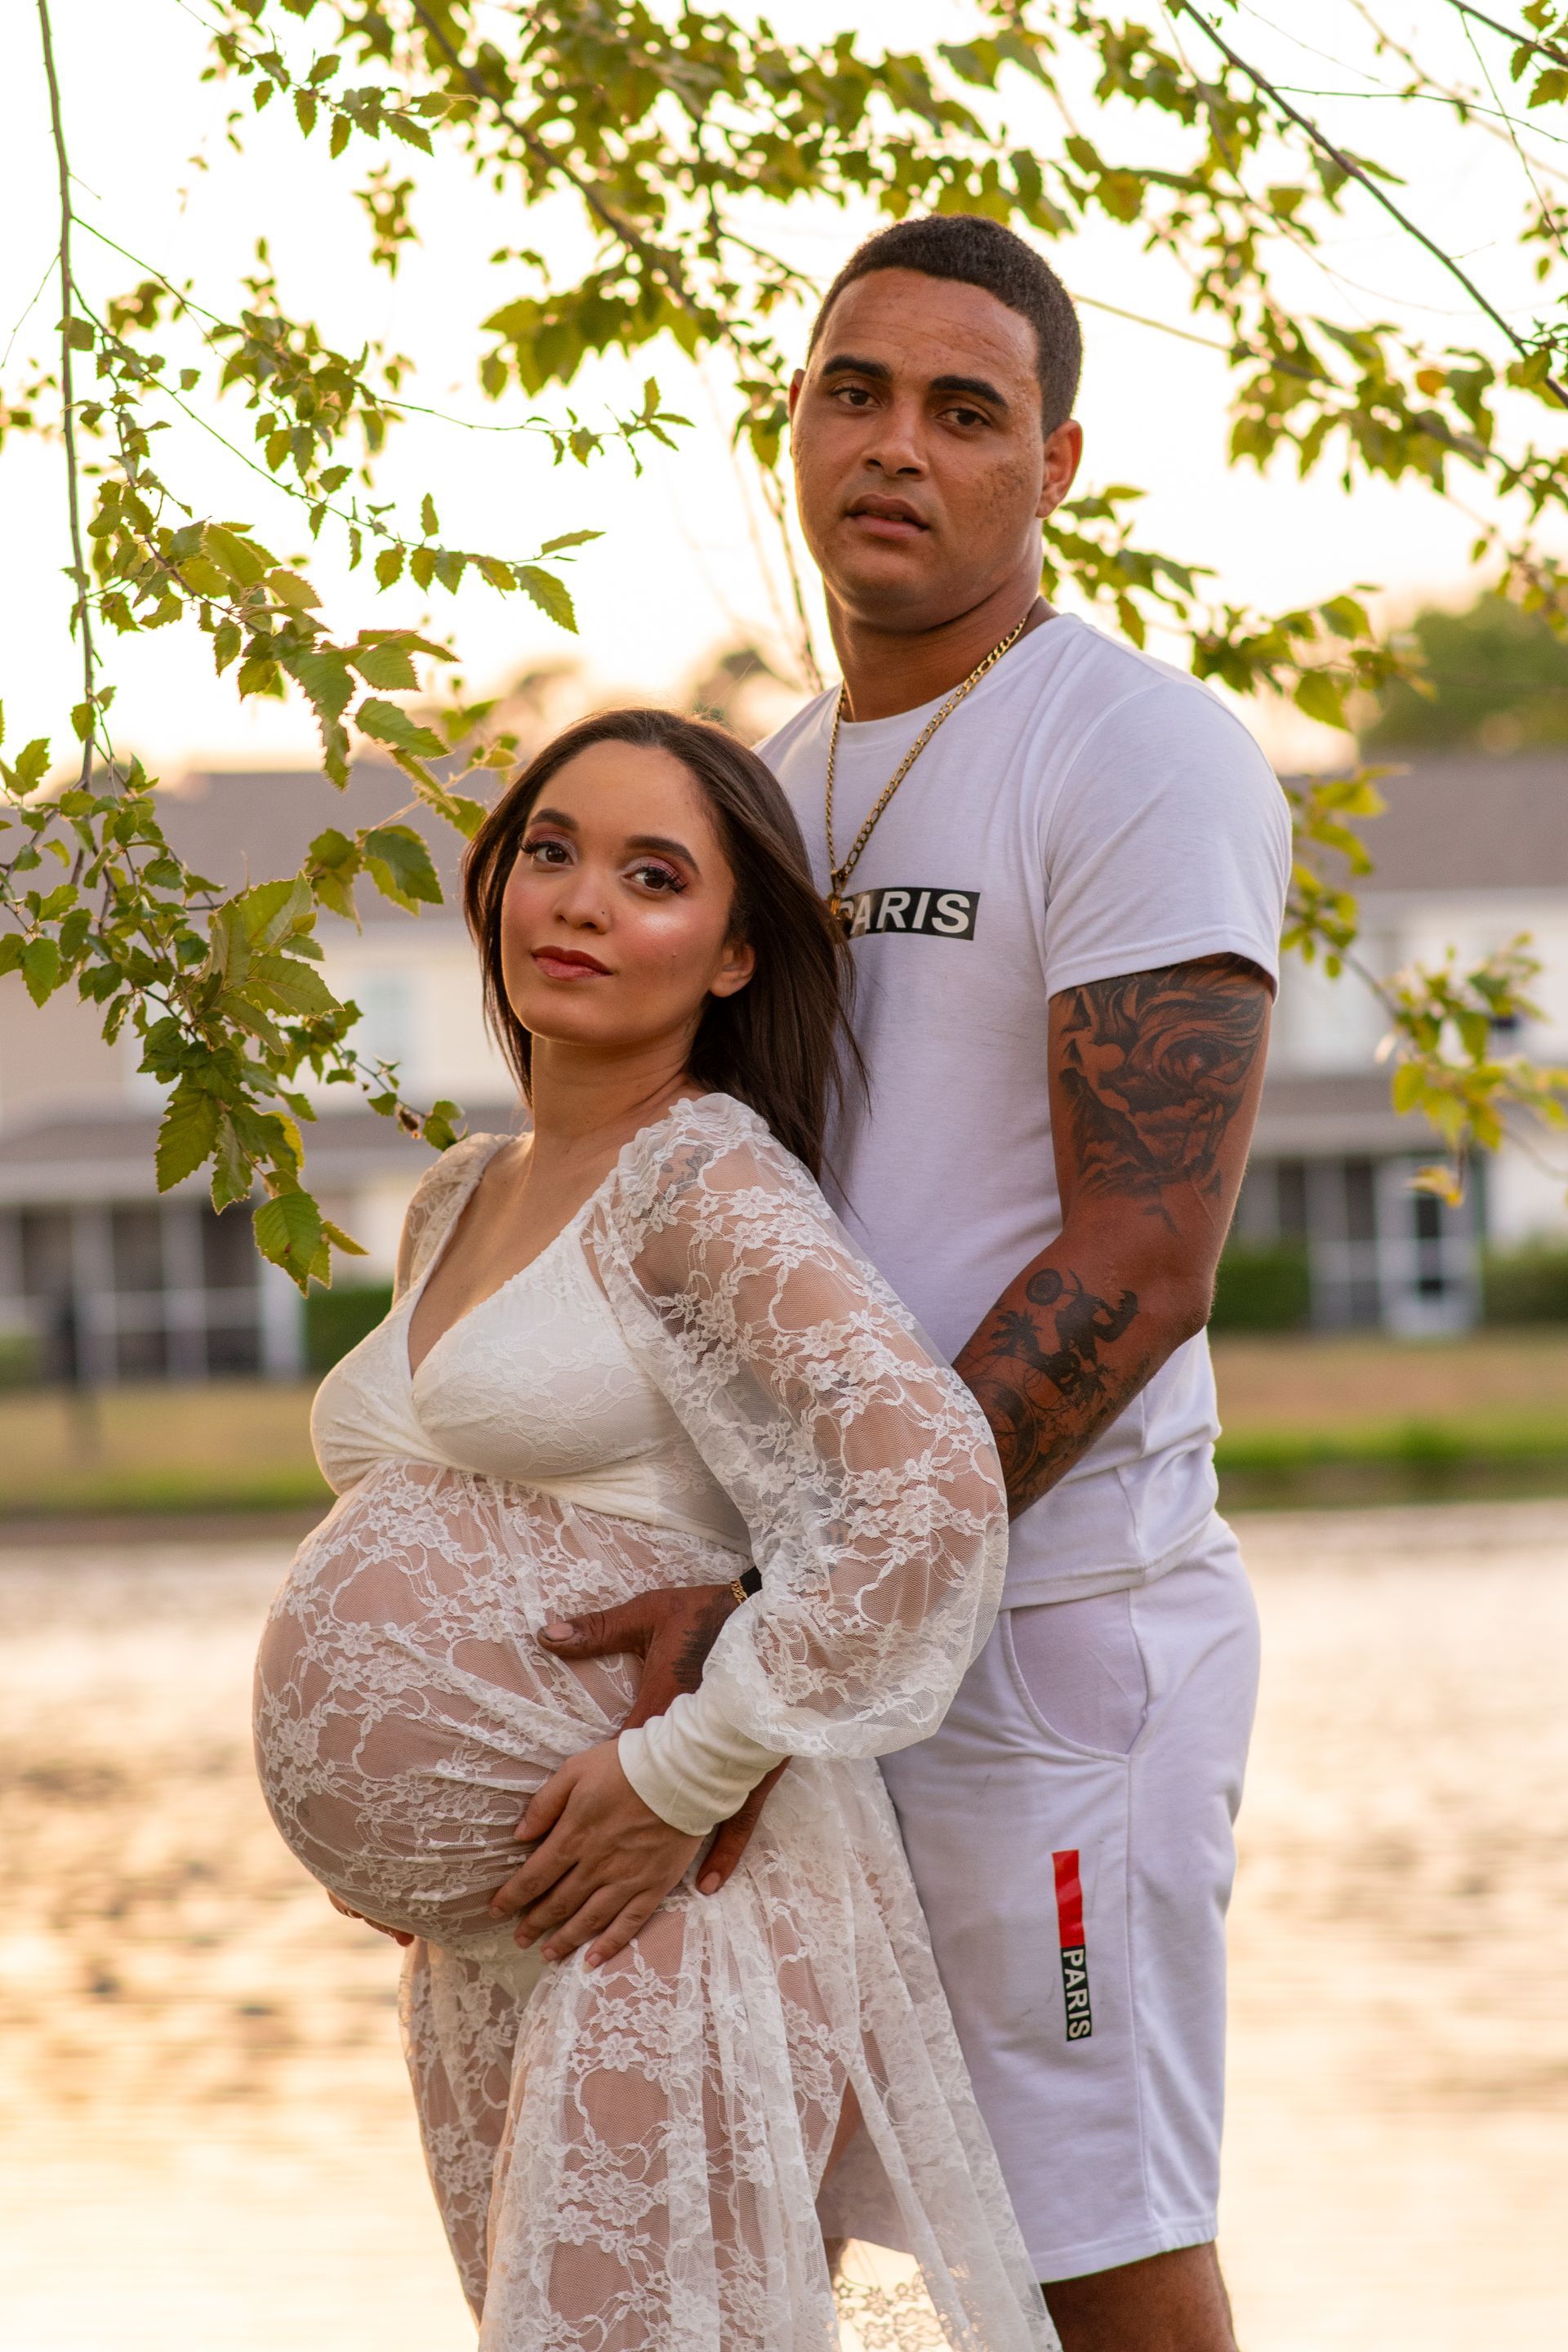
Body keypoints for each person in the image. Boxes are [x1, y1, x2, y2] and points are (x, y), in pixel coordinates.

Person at [529, 219, 1290, 2351]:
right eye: (854, 393)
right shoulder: (774, 783)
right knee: (816, 2243)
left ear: (1055, 464)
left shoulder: (1135, 752)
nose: (898, 447)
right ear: (794, 427)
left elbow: (1141, 1259)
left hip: (1044, 1651)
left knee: (1091, 2254)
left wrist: (820, 1594)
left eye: (966, 412)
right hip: (811, 1644)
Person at [253, 706, 1054, 2351]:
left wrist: (688, 1766)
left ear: (736, 957)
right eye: (550, 851)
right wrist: (393, 1818)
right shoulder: (457, 1193)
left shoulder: (701, 1181)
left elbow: (930, 1482)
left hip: (671, 1898)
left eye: (653, 876)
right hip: (498, 1939)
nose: (582, 902)